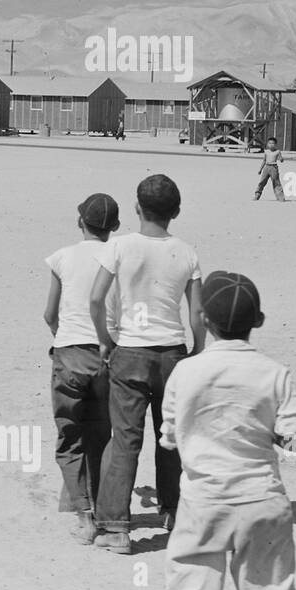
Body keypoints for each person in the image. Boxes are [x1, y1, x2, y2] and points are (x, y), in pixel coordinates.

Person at [159, 272, 296, 590]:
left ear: (203, 319)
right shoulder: (274, 372)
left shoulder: (186, 372)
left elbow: (169, 438)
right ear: (258, 320)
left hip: (203, 503)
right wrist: (282, 438)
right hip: (262, 500)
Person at [89, 174, 204, 554]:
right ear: (177, 212)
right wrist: (196, 350)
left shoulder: (120, 247)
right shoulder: (187, 253)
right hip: (171, 352)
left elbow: (96, 299)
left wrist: (107, 341)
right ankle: (172, 511)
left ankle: (115, 528)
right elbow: (197, 313)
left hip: (130, 351)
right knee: (169, 438)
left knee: (125, 438)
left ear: (137, 208)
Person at [42, 193, 121, 543]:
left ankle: (84, 516)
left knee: (69, 434)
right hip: (107, 355)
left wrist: (63, 337)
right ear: (115, 227)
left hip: (70, 352)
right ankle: (105, 512)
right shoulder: (120, 257)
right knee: (102, 435)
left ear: (79, 222)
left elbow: (49, 314)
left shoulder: (62, 257)